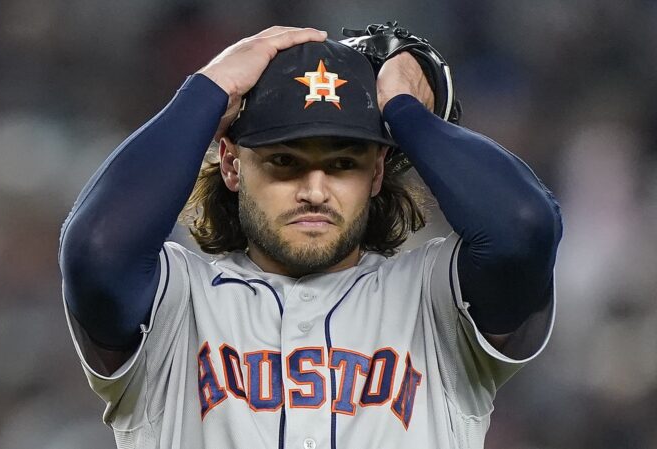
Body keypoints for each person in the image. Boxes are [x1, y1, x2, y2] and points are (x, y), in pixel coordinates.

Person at [59, 26, 562, 449]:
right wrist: (209, 89)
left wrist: (405, 110)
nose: (316, 191)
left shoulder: (433, 302)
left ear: (378, 171)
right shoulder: (177, 304)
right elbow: (97, 248)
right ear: (232, 163)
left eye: (343, 164)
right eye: (285, 162)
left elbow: (522, 227)